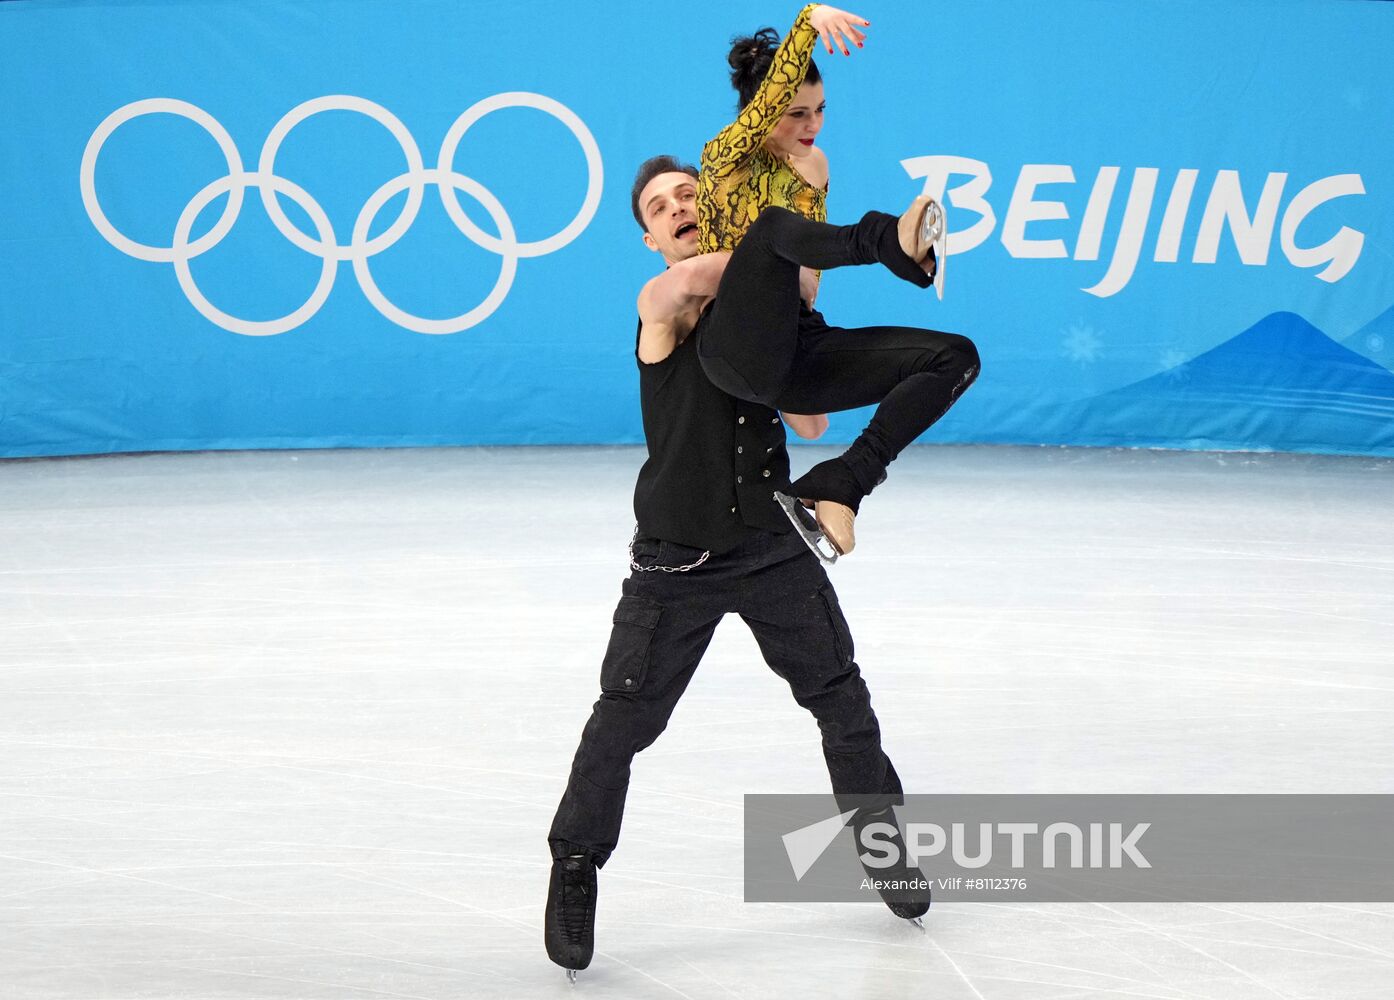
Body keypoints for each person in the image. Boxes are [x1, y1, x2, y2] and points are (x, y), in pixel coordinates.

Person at [543, 156, 939, 982]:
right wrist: (780, 251)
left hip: (770, 547)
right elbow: (701, 280)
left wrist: (786, 318)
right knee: (623, 723)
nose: (679, 206)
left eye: (690, 193)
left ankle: (881, 840)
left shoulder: (752, 312)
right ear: (649, 237)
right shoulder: (661, 303)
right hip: (674, 562)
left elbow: (813, 414)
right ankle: (576, 867)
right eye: (661, 207)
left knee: (842, 700)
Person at [696, 4, 978, 557]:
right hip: (731, 339)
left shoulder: (814, 167)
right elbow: (780, 243)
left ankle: (844, 484)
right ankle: (890, 242)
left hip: (791, 348)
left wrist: (803, 292)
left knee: (954, 356)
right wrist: (807, 21)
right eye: (795, 113)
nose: (812, 126)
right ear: (761, 108)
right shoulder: (724, 157)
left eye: (820, 110)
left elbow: (808, 278)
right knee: (774, 226)